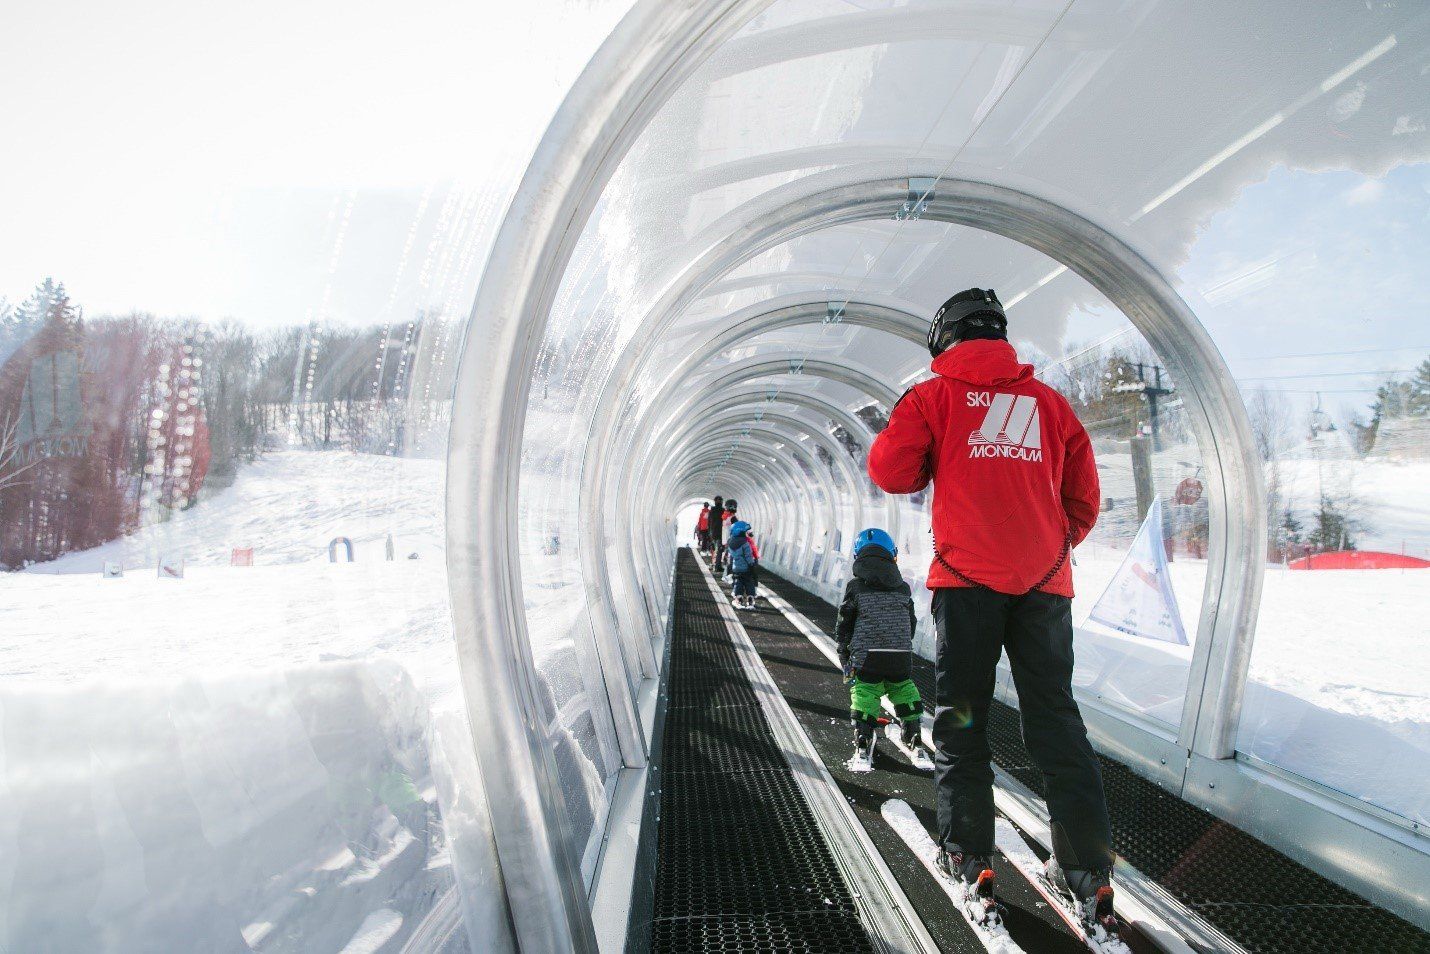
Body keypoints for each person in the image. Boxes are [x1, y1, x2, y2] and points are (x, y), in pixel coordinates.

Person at [867, 288, 1115, 929]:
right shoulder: (1051, 405)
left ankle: (970, 852)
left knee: (961, 718)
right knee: (1057, 722)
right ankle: (1086, 869)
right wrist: (1048, 549)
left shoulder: (933, 396)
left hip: (966, 586)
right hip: (1044, 591)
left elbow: (893, 473)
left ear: (944, 340)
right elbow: (1084, 500)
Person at [834, 528, 928, 772]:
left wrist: (844, 652)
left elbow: (845, 623)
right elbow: (911, 622)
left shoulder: (855, 587)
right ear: (892, 556)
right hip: (900, 656)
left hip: (867, 657)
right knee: (903, 688)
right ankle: (914, 734)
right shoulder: (903, 588)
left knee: (865, 691)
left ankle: (863, 740)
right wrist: (902, 646)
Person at [726, 520, 758, 609]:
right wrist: (752, 565)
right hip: (746, 568)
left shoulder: (731, 542)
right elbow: (748, 556)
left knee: (738, 583)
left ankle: (739, 600)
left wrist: (730, 568)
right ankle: (750, 600)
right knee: (749, 583)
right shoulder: (745, 543)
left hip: (736, 568)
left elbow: (730, 557)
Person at [708, 495, 724, 560]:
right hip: (721, 531)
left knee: (713, 546)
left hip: (713, 531)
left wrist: (709, 531)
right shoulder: (723, 511)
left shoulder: (712, 510)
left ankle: (713, 560)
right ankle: (718, 562)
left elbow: (709, 522)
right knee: (720, 547)